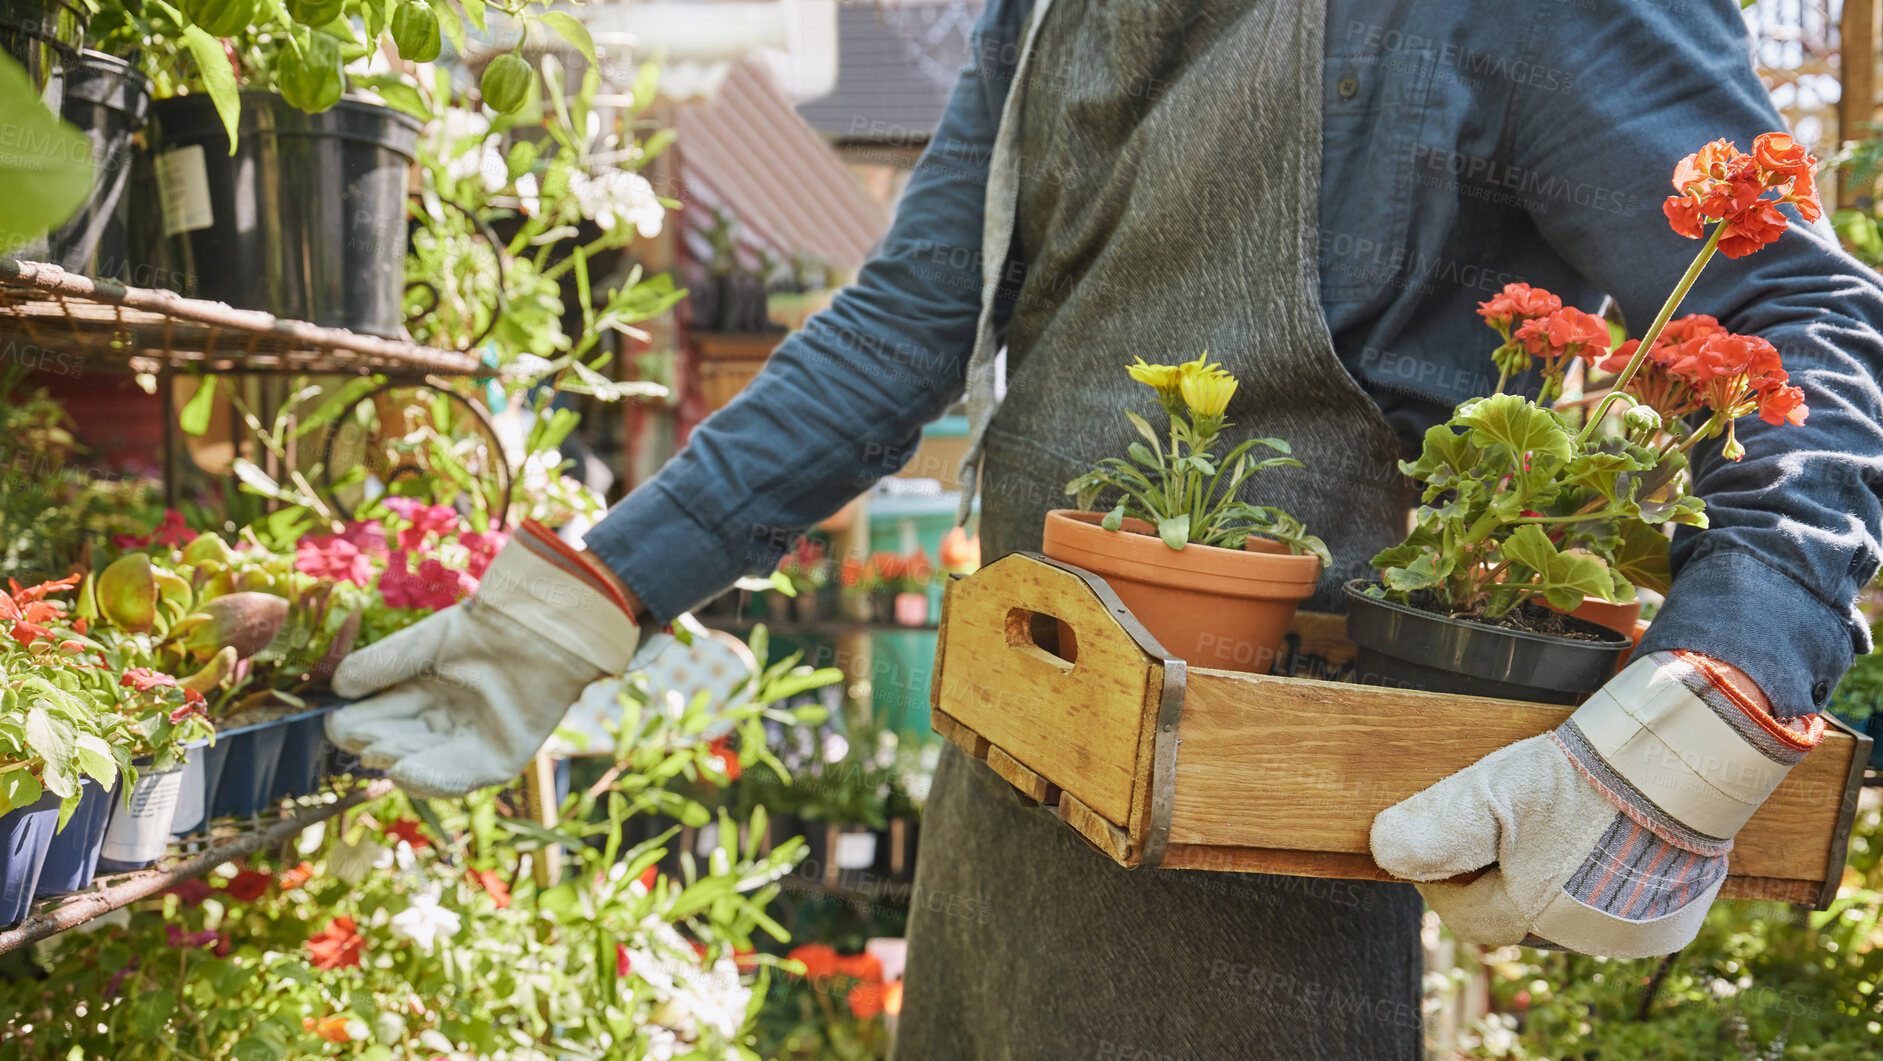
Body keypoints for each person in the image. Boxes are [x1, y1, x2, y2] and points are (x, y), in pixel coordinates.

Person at [329, 0, 1883, 1056]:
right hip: (1009, 809)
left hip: (1265, 871)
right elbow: (905, 322)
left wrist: (1705, 707)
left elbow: (1798, 313)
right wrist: (591, 598)